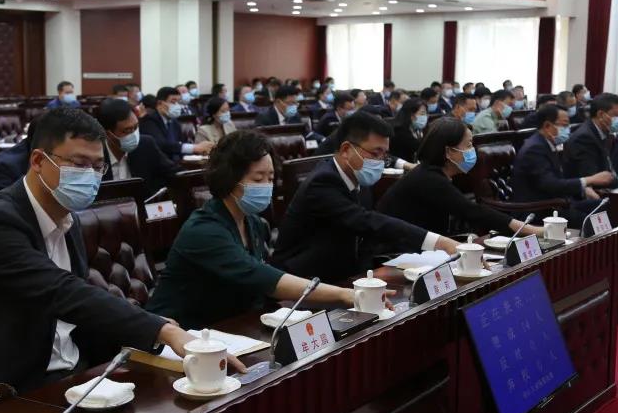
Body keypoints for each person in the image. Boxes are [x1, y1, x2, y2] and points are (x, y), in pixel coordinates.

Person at [0, 107, 219, 391]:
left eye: (97, 166)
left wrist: (151, 325)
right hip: (4, 386)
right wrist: (160, 330)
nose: (90, 176)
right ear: (38, 160)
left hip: (74, 369)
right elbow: (62, 292)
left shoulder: (68, 217)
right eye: (79, 163)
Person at [146, 131, 357, 329]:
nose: (266, 186)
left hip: (229, 326)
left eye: (271, 179)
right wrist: (343, 295)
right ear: (229, 179)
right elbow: (262, 278)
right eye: (257, 179)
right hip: (177, 334)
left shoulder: (254, 223)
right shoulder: (203, 230)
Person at [272, 112, 458, 283]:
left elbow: (365, 238)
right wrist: (437, 242)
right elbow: (367, 221)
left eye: (384, 155)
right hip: (302, 279)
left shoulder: (359, 178)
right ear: (346, 149)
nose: (380, 162)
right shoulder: (322, 182)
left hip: (345, 273)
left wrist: (366, 276)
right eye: (375, 153)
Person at [379, 118, 545, 238]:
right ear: (448, 152)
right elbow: (473, 211)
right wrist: (531, 230)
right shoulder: (428, 178)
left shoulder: (433, 172)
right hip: (396, 253)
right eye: (469, 145)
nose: (473, 150)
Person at [511, 104, 617, 226]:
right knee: (591, 220)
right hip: (537, 210)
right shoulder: (534, 149)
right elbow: (550, 184)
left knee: (608, 205)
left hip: (556, 203)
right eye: (564, 125)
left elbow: (559, 180)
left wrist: (583, 189)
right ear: (547, 126)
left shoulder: (546, 144)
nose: (568, 129)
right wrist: (589, 180)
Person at [96, 98, 177, 198]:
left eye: (136, 127)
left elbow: (174, 174)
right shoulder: (92, 156)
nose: (134, 134)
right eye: (127, 130)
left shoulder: (146, 145)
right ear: (107, 134)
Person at [563, 94, 618, 184]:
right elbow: (594, 178)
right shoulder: (584, 138)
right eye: (616, 115)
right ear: (601, 114)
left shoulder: (602, 132)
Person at [138, 86, 214, 161]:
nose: (177, 105)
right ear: (160, 103)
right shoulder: (149, 120)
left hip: (176, 163)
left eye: (178, 102)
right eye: (173, 102)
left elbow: (181, 143)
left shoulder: (174, 122)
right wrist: (194, 148)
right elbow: (162, 145)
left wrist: (198, 154)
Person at [389, 97, 427, 164]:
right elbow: (420, 148)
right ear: (411, 115)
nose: (425, 116)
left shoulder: (416, 129)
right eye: (422, 114)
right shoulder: (399, 131)